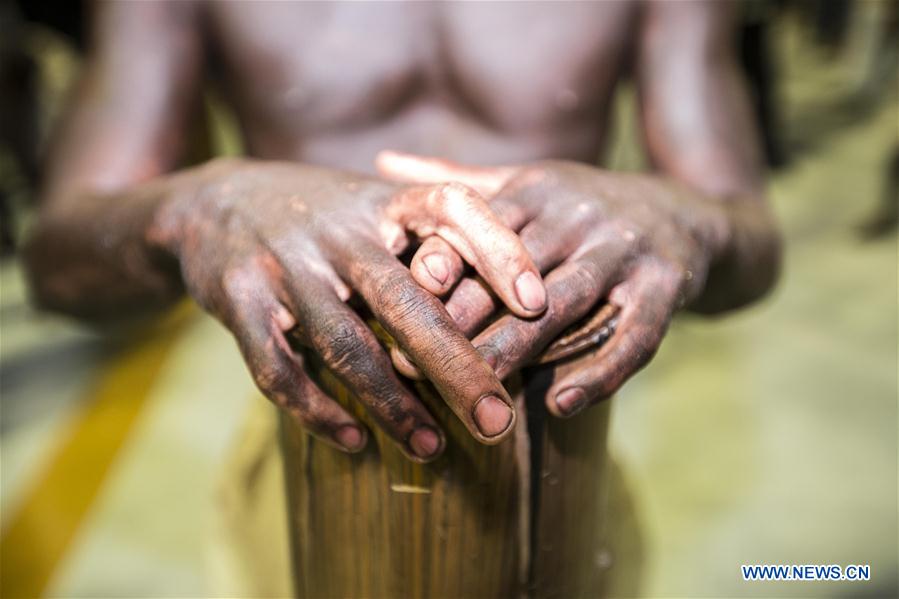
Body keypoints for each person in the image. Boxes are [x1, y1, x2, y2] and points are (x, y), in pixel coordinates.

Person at [24, 1, 781, 464]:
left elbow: (748, 234)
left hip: (563, 462)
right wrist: (203, 204)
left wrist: (679, 217)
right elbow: (57, 259)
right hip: (313, 456)